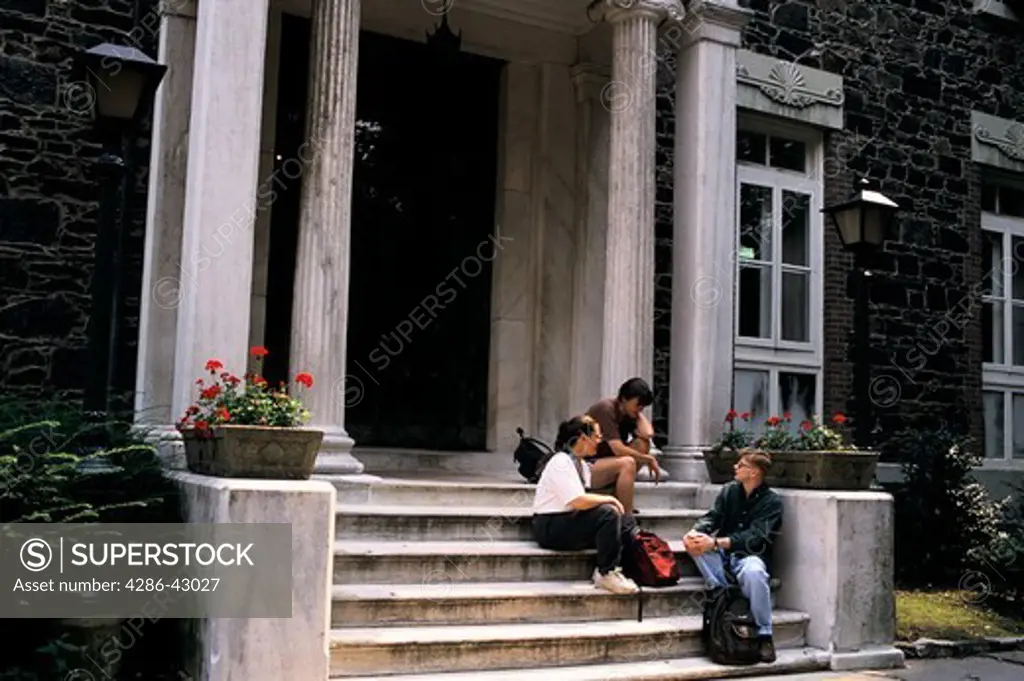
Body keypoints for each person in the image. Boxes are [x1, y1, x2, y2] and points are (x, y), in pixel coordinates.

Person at [683, 450, 783, 663]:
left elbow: (755, 538)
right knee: (697, 542)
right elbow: (713, 518)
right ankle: (720, 592)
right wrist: (695, 532)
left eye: (741, 465)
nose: (735, 467)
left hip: (750, 556)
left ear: (754, 472)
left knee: (755, 573)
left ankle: (764, 634)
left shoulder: (772, 502)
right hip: (723, 555)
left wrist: (717, 542)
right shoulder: (729, 491)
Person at [532, 415, 640, 595]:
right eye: (597, 437)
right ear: (583, 438)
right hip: (550, 525)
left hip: (568, 520)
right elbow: (578, 501)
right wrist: (611, 499)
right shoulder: (561, 461)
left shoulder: (581, 465)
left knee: (626, 523)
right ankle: (606, 573)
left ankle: (626, 569)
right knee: (609, 513)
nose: (599, 442)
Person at [585, 378, 663, 513]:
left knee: (642, 444)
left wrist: (637, 412)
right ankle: (627, 519)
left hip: (607, 462)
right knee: (627, 463)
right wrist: (648, 459)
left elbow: (648, 434)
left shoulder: (629, 414)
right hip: (586, 465)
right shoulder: (606, 409)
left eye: (643, 406)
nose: (640, 408)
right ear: (624, 398)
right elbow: (617, 448)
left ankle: (617, 497)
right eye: (638, 404)